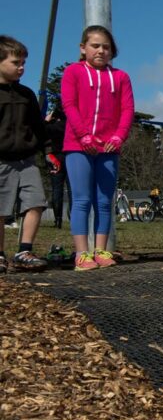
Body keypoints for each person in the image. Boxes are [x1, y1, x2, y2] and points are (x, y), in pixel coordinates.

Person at [61, 25, 134, 271]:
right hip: (78, 147)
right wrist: (83, 136)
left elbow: (127, 110)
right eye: (95, 46)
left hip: (109, 149)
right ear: (83, 48)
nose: (101, 51)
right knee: (82, 200)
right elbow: (69, 105)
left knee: (104, 201)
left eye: (106, 47)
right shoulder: (73, 72)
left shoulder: (121, 77)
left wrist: (119, 136)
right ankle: (82, 253)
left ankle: (101, 250)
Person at [0, 35, 55, 273]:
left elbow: (39, 128)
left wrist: (49, 153)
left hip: (27, 160)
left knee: (36, 203)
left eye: (23, 63)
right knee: (1, 209)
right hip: (1, 161)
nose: (21, 67)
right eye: (15, 62)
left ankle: (24, 251)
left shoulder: (27, 95)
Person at [44, 103, 72, 228]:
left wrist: (47, 121)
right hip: (71, 156)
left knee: (57, 190)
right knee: (73, 191)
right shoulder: (71, 126)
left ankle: (58, 220)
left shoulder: (53, 127)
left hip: (56, 158)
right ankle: (74, 218)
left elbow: (41, 133)